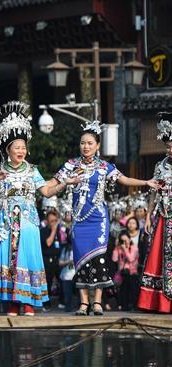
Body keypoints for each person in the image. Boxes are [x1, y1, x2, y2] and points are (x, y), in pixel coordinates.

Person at [0, 101, 78, 316]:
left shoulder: (32, 171)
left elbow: (46, 191)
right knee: (8, 259)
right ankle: (12, 301)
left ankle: (28, 301)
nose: (21, 150)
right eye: (16, 147)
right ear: (8, 149)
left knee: (26, 258)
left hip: (27, 223)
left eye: (23, 147)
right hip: (6, 223)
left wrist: (66, 183)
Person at [51, 120, 159, 316]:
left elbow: (125, 180)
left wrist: (146, 182)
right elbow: (53, 182)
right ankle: (84, 303)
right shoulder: (71, 165)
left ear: (98, 145)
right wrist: (39, 183)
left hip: (98, 220)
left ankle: (98, 302)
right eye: (83, 143)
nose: (86, 147)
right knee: (80, 261)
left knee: (99, 259)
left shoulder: (104, 166)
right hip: (79, 221)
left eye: (90, 143)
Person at [138, 113, 172, 313]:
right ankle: (158, 302)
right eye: (167, 146)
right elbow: (153, 192)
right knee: (159, 257)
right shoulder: (160, 166)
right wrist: (149, 215)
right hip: (164, 215)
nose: (170, 149)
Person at [39, 210, 62, 311]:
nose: (54, 223)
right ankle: (46, 304)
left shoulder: (61, 230)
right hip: (47, 260)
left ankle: (63, 302)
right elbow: (48, 243)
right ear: (47, 221)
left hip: (59, 259)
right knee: (47, 282)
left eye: (55, 220)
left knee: (62, 280)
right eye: (51, 221)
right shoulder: (43, 231)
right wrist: (53, 230)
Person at [112, 230, 139, 311]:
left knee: (132, 291)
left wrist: (125, 250)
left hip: (132, 274)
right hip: (122, 274)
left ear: (129, 239)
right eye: (122, 241)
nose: (123, 243)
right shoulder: (119, 248)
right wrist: (116, 248)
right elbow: (114, 259)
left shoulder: (134, 248)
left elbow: (131, 259)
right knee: (122, 292)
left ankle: (132, 306)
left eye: (125, 240)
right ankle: (123, 306)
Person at [58, 238, 75, 312]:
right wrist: (68, 262)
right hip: (67, 276)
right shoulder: (65, 250)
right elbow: (60, 263)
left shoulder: (78, 249)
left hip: (77, 275)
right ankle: (68, 308)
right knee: (67, 294)